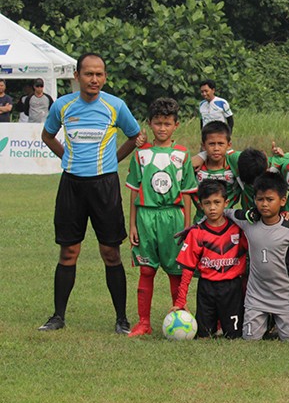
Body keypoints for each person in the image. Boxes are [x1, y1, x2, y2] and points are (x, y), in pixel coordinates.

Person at [38, 53, 142, 333]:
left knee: (110, 252)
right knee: (69, 251)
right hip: (71, 184)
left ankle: (121, 319)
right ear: (77, 76)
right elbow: (47, 136)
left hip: (104, 186)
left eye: (99, 74)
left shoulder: (115, 106)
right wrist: (67, 158)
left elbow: (136, 136)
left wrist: (113, 161)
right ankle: (58, 316)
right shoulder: (62, 106)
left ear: (105, 77)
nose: (94, 79)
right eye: (88, 74)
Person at [125, 97, 197, 337]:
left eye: (167, 123)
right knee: (146, 271)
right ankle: (143, 322)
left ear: (176, 125)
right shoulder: (141, 155)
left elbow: (187, 193)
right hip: (146, 217)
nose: (162, 128)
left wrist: (187, 226)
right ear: (150, 124)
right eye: (157, 123)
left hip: (174, 219)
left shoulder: (183, 155)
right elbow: (135, 191)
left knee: (176, 271)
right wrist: (132, 224)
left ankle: (180, 314)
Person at [227, 172, 289, 342]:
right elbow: (226, 212)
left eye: (270, 200)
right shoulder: (248, 222)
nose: (264, 204)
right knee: (250, 339)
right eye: (260, 199)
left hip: (284, 296)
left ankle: (278, 322)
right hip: (256, 296)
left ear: (282, 201)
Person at [174, 180, 248, 338]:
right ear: (200, 205)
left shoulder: (238, 229)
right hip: (207, 288)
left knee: (234, 335)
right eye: (207, 203)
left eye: (217, 202)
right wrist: (180, 300)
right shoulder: (197, 233)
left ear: (226, 203)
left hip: (232, 288)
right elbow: (187, 268)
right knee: (204, 334)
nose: (212, 208)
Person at [192, 121, 240, 220]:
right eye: (211, 144)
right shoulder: (196, 168)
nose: (216, 148)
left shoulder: (234, 165)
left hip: (228, 221)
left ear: (229, 145)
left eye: (221, 144)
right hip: (202, 221)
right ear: (203, 146)